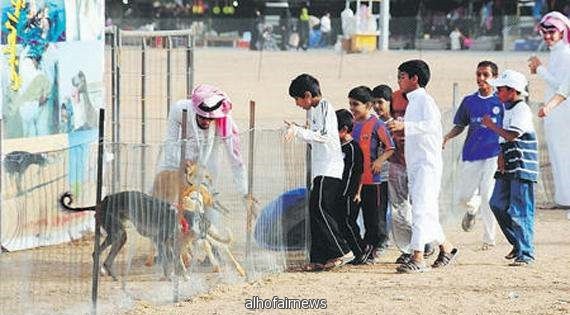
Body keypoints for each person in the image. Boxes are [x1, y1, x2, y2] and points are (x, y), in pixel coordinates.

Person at [387, 60, 458, 273]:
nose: (399, 80)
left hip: (427, 164)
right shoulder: (412, 102)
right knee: (426, 211)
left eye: (402, 76)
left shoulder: (425, 101)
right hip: (416, 164)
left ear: (414, 78)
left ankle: (418, 257)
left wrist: (404, 125)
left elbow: (432, 127)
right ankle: (447, 248)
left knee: (420, 210)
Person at [284, 74, 353, 269]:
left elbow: (323, 137)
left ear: (307, 95)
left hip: (329, 169)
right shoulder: (313, 111)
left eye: (297, 99)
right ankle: (319, 259)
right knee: (315, 211)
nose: (297, 104)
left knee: (320, 210)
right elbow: (314, 137)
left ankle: (342, 250)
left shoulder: (323, 107)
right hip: (320, 169)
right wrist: (297, 129)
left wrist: (298, 132)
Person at [442, 61, 502, 250]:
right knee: (463, 196)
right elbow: (461, 125)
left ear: (495, 77)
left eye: (485, 74)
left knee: (488, 194)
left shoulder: (501, 101)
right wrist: (447, 137)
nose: (481, 78)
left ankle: (489, 238)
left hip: (494, 154)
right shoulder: (469, 101)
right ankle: (472, 207)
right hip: (471, 154)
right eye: (478, 74)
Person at [154, 84, 247, 203]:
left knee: (203, 205)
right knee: (166, 201)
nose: (207, 121)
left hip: (207, 168)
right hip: (177, 164)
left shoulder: (224, 121)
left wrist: (244, 192)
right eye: (203, 117)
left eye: (210, 119)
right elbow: (171, 142)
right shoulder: (179, 109)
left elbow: (235, 157)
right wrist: (180, 162)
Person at [481, 70, 538, 266]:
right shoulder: (508, 109)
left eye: (501, 88)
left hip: (522, 167)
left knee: (521, 210)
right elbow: (505, 139)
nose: (497, 91)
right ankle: (518, 243)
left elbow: (512, 135)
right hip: (509, 166)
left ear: (513, 91)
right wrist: (500, 155)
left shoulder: (521, 110)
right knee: (496, 203)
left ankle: (526, 253)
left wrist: (490, 125)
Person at [528, 11, 570, 208]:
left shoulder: (566, 54)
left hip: (563, 113)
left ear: (562, 32)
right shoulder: (557, 53)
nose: (547, 36)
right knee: (557, 155)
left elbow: (564, 86)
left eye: (551, 32)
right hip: (555, 114)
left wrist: (540, 70)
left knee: (564, 154)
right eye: (544, 32)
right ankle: (562, 199)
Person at [348, 86, 395, 263]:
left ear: (367, 106)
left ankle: (373, 250)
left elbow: (390, 147)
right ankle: (361, 249)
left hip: (373, 181)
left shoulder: (377, 125)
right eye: (350, 104)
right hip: (355, 181)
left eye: (356, 104)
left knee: (373, 219)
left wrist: (379, 161)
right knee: (350, 217)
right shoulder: (351, 125)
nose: (352, 108)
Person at [335, 109, 369, 264]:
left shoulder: (353, 148)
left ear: (344, 130)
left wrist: (357, 192)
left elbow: (358, 173)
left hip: (350, 193)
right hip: (340, 192)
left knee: (348, 222)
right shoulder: (338, 147)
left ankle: (361, 250)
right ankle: (357, 249)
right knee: (344, 222)